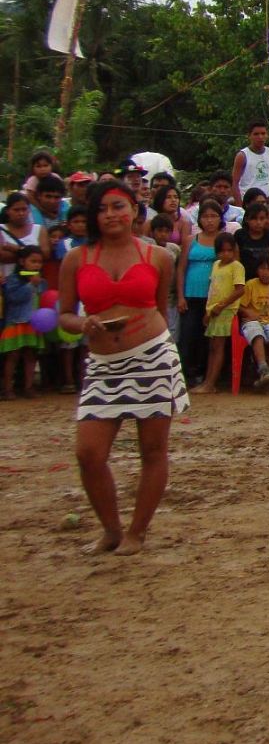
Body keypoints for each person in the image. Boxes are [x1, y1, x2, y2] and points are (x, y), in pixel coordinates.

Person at [59, 178, 186, 553]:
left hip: (153, 358)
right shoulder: (76, 260)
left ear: (134, 210)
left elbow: (159, 309)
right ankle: (111, 528)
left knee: (152, 449)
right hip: (103, 365)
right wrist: (83, 324)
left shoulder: (158, 256)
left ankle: (137, 531)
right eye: (102, 208)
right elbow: (64, 313)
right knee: (89, 453)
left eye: (118, 206)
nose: (110, 215)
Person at [174, 200, 223, 387]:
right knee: (188, 336)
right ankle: (186, 374)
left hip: (213, 298)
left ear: (220, 218)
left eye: (213, 216)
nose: (209, 221)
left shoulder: (223, 240)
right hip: (190, 295)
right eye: (205, 216)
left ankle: (203, 374)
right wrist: (180, 296)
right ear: (199, 219)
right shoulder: (190, 240)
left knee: (207, 339)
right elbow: (181, 269)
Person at [199, 232, 245, 394]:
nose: (226, 254)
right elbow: (213, 290)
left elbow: (240, 290)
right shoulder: (216, 265)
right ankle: (208, 381)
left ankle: (210, 383)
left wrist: (222, 305)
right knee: (212, 347)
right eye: (222, 251)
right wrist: (209, 310)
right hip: (214, 310)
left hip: (225, 311)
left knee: (218, 347)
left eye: (229, 250)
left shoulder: (237, 266)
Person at [0, 244, 46, 398]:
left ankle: (28, 387)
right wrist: (30, 285)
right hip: (16, 322)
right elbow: (13, 298)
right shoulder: (13, 279)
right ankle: (7, 389)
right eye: (33, 261)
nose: (37, 265)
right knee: (12, 356)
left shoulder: (40, 280)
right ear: (22, 262)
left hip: (33, 323)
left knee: (30, 355)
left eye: (39, 262)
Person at [240, 257, 269, 387]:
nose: (265, 272)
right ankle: (263, 369)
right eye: (262, 268)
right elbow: (241, 305)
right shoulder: (251, 284)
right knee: (257, 333)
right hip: (252, 321)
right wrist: (249, 313)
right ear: (257, 270)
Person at [231, 122, 269, 202]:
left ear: (267, 135)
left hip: (267, 201)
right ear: (249, 136)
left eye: (263, 133)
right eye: (256, 134)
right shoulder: (242, 156)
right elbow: (234, 183)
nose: (260, 137)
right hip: (249, 202)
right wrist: (240, 206)